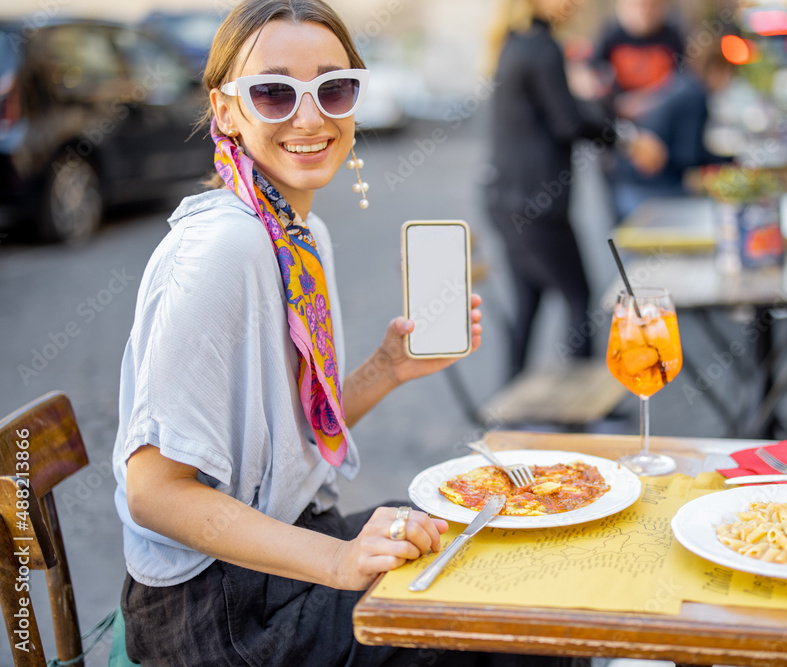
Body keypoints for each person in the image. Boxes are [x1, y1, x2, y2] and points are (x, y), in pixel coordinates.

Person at [111, 2, 573, 665]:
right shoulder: (220, 249)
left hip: (278, 556)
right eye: (273, 92)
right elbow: (153, 492)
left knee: (496, 542)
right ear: (226, 110)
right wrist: (338, 559)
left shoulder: (298, 234)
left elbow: (284, 442)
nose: (310, 116)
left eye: (334, 88)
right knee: (518, 624)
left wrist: (386, 367)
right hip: (217, 619)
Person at [483, 0, 664, 378]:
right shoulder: (542, 46)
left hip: (506, 200)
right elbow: (567, 123)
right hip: (536, 206)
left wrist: (585, 98)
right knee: (578, 297)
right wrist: (628, 140)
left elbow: (554, 109)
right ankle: (582, 408)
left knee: (529, 302)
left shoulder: (516, 40)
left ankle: (509, 401)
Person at [612, 47, 733, 218]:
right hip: (650, 191)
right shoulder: (695, 97)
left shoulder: (684, 84)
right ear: (716, 71)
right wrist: (727, 167)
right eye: (728, 75)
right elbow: (687, 156)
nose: (728, 82)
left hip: (631, 187)